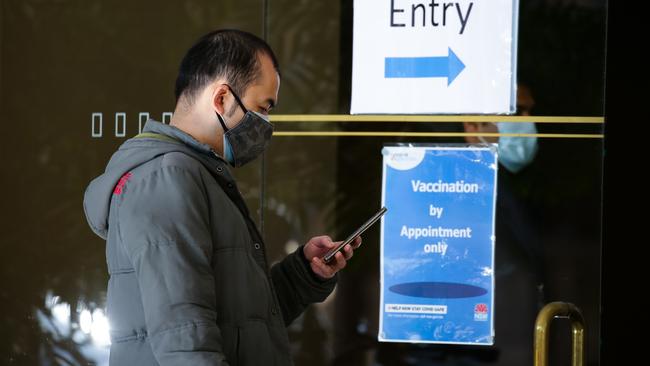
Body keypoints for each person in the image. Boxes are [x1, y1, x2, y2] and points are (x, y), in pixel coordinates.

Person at [83, 29, 360, 366]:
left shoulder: (197, 176)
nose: (266, 124)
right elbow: (187, 342)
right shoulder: (168, 179)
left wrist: (304, 273)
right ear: (222, 99)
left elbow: (242, 321)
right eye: (262, 108)